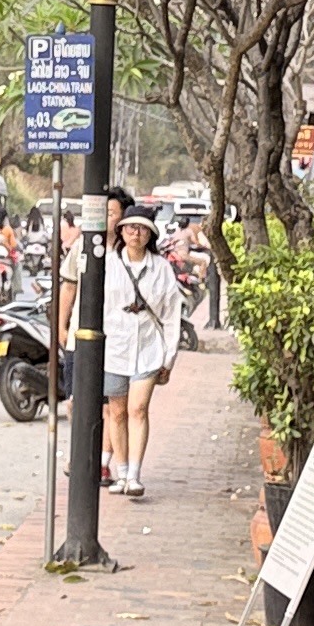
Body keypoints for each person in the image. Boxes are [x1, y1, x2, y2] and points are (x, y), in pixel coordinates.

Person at [99, 209, 182, 498]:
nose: (136, 233)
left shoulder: (161, 268)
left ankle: (134, 475)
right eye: (130, 228)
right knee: (117, 412)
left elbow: (172, 313)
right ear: (121, 232)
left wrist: (169, 356)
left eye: (142, 229)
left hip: (149, 347)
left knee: (138, 408)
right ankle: (121, 472)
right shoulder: (108, 264)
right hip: (114, 347)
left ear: (151, 235)